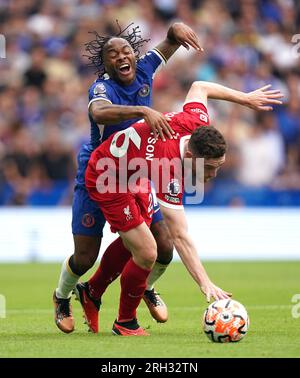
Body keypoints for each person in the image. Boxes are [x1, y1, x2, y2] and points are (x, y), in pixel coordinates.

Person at [84, 80, 283, 336]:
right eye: (209, 167)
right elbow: (180, 235)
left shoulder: (196, 121)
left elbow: (200, 87)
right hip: (108, 176)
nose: (212, 174)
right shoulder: (168, 170)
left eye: (218, 166)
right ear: (190, 157)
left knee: (143, 240)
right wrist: (205, 282)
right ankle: (125, 322)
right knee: (146, 251)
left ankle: (92, 290)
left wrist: (244, 98)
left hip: (134, 172)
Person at [53, 21, 204, 333]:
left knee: (162, 245)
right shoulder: (102, 87)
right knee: (84, 258)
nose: (121, 56)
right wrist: (142, 111)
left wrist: (176, 28)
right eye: (112, 54)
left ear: (134, 55)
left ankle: (142, 285)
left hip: (135, 172)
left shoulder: (146, 68)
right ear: (105, 63)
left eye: (125, 51)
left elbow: (170, 41)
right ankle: (62, 296)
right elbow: (99, 113)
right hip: (101, 172)